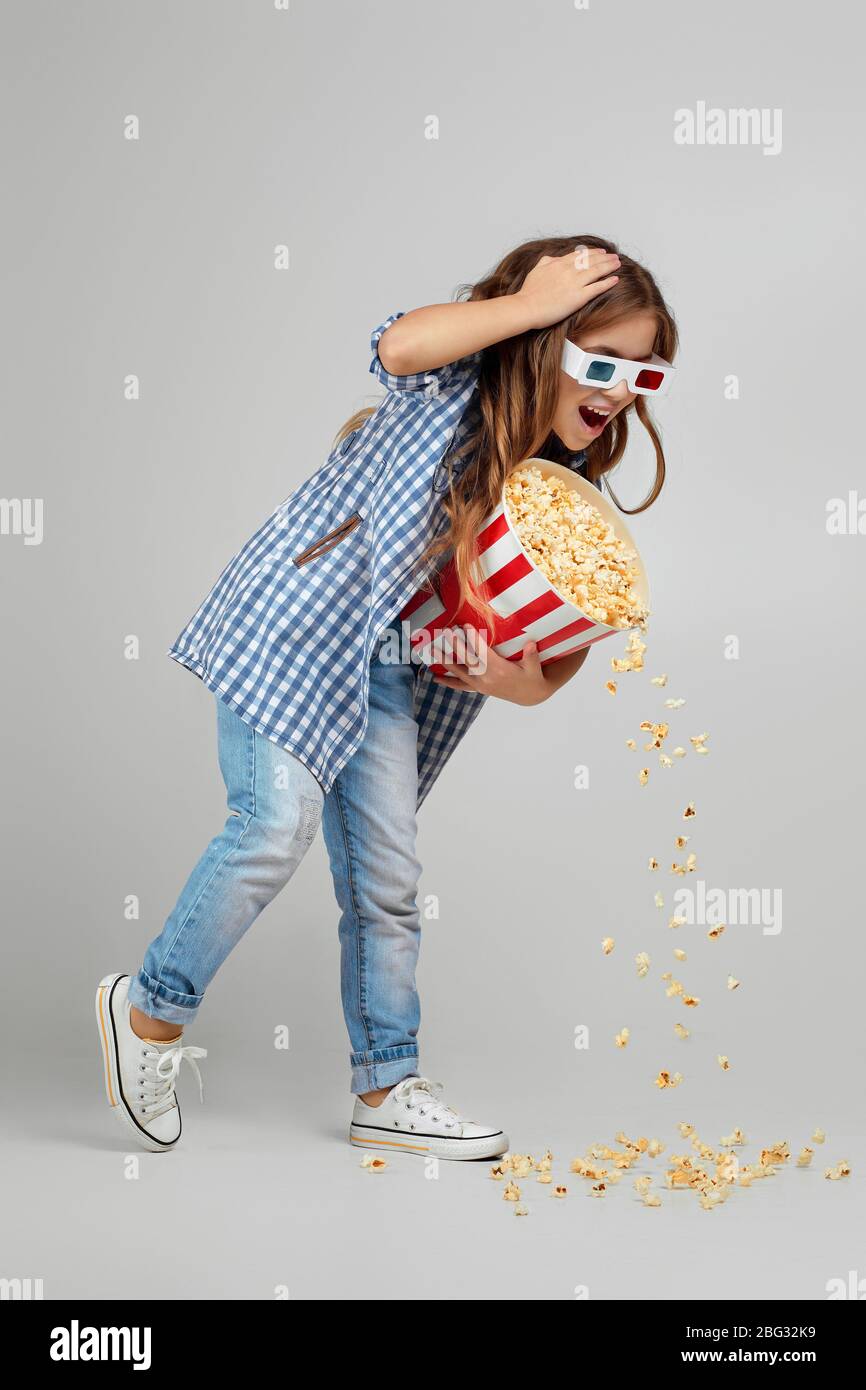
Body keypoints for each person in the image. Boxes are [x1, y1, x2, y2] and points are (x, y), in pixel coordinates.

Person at [95, 236, 678, 1160]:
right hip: (294, 628)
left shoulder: (563, 496)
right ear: (542, 338)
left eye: (640, 377)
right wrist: (530, 303)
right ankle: (148, 1012)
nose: (613, 392)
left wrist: (497, 673)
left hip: (394, 669)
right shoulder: (456, 385)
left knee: (389, 886)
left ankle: (387, 1086)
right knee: (272, 826)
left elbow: (547, 671)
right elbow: (399, 345)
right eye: (598, 362)